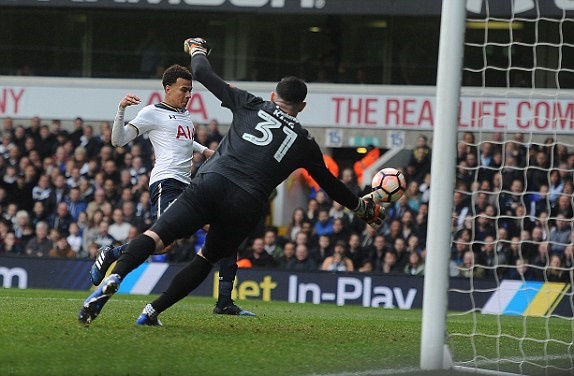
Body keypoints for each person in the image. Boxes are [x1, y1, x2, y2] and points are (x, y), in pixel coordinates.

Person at [77, 37, 384, 326]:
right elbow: (332, 184)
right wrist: (362, 208)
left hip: (211, 182)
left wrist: (197, 48)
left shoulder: (251, 104)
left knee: (157, 236)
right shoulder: (305, 144)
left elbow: (202, 71)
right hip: (246, 202)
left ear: (274, 96)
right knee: (206, 257)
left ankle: (115, 278)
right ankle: (152, 311)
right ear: (302, 107)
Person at [85, 64, 259, 316]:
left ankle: (224, 302)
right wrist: (121, 109)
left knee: (226, 231)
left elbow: (182, 138)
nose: (188, 95)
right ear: (168, 89)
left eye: (190, 90)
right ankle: (111, 253)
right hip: (166, 183)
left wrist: (204, 151)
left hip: (189, 185)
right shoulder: (151, 113)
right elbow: (118, 141)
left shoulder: (184, 114)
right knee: (163, 244)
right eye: (184, 90)